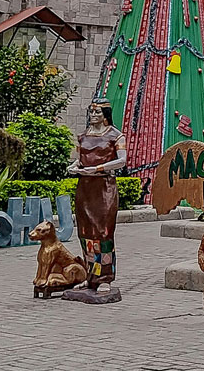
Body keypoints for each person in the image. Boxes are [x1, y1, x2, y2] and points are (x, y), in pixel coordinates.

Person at [69, 100, 126, 294]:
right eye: (91, 111)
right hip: (85, 188)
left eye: (97, 112)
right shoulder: (83, 136)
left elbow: (122, 161)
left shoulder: (116, 136)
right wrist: (74, 167)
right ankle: (90, 276)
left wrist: (99, 168)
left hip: (104, 188)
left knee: (103, 234)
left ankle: (105, 277)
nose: (93, 115)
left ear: (106, 114)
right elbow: (80, 158)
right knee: (85, 234)